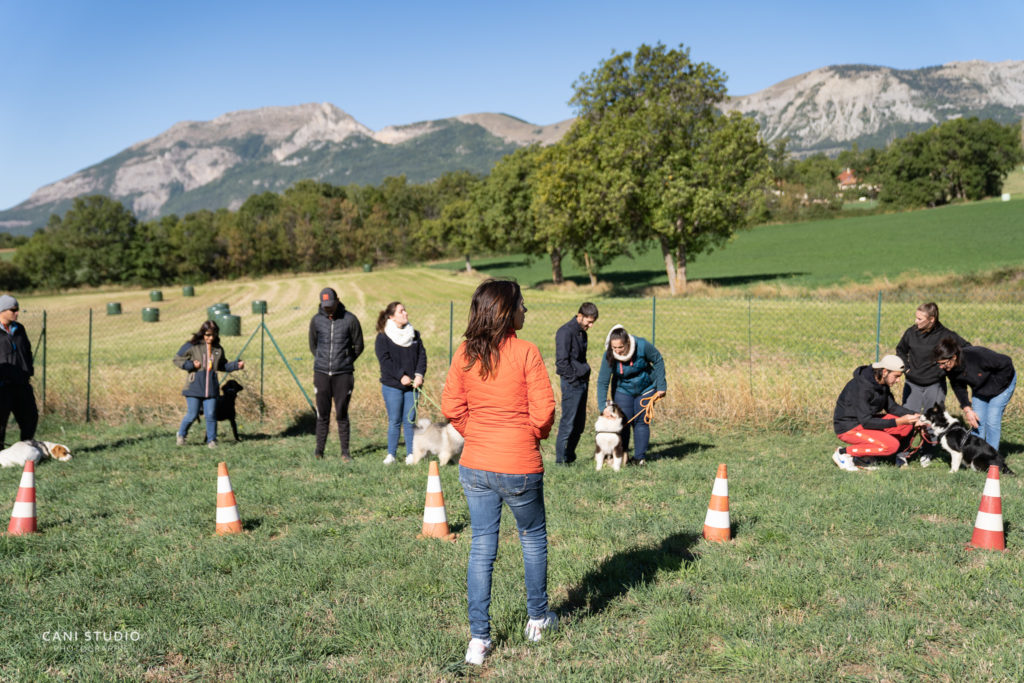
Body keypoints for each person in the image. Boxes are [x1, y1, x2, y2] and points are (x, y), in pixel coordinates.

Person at [441, 279, 557, 666]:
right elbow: (544, 413)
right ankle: (538, 620)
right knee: (532, 539)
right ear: (507, 311)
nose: (526, 310)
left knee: (481, 548)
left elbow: (451, 406)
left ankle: (478, 640)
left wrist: (478, 434)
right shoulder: (526, 352)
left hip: (476, 464)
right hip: (519, 465)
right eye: (522, 304)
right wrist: (528, 436)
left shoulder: (464, 354)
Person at [831, 354, 921, 471]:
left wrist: (916, 417)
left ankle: (897, 456)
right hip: (849, 427)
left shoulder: (882, 383)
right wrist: (898, 421)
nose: (898, 380)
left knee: (906, 424)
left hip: (864, 421)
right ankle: (844, 453)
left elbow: (892, 408)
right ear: (884, 372)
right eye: (896, 376)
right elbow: (866, 422)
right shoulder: (862, 387)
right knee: (891, 446)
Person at [595, 325, 667, 465]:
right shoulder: (609, 355)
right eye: (614, 347)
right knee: (624, 422)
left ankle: (640, 458)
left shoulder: (642, 345)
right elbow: (602, 382)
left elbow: (658, 360)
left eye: (620, 347)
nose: (617, 351)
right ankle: (623, 457)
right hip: (623, 389)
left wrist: (661, 386)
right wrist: (602, 406)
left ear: (627, 343)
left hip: (646, 388)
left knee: (641, 422)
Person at [309, 287, 364, 461]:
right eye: (325, 306)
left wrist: (346, 361)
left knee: (341, 413)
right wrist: (322, 361)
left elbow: (359, 345)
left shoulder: (350, 319)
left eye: (331, 305)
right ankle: (319, 451)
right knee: (322, 414)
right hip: (321, 373)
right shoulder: (316, 321)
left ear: (337, 300)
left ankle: (345, 452)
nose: (328, 309)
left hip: (343, 375)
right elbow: (313, 345)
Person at [934, 337, 1016, 452]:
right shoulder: (950, 369)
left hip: (1003, 386)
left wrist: (995, 386)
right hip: (980, 388)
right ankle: (977, 455)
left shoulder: (978, 356)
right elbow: (958, 387)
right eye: (939, 364)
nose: (941, 367)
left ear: (953, 357)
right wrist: (967, 409)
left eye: (943, 363)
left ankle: (992, 457)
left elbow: (1006, 362)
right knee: (977, 422)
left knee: (992, 420)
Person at [173, 319, 244, 448]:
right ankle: (181, 435)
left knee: (211, 414)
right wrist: (190, 365)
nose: (210, 338)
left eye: (213, 335)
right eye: (207, 335)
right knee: (192, 414)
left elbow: (223, 365)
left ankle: (212, 441)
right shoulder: (192, 345)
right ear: (202, 333)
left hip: (211, 388)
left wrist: (236, 365)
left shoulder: (218, 349)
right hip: (194, 387)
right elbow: (177, 359)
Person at [374, 301, 426, 465]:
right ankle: (391, 454)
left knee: (409, 419)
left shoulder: (415, 335)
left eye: (405, 310)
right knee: (395, 420)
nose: (405, 314)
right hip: (392, 386)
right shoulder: (383, 337)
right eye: (401, 311)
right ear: (391, 316)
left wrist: (418, 375)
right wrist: (400, 376)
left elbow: (422, 357)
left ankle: (411, 454)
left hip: (412, 386)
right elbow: (385, 361)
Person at [896, 302, 970, 412]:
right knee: (908, 421)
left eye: (920, 319)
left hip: (935, 385)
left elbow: (968, 349)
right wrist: (906, 369)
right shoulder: (911, 333)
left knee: (933, 424)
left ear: (931, 319)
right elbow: (900, 350)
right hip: (912, 384)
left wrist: (945, 370)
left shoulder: (946, 335)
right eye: (916, 318)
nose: (916, 321)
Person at [554, 302, 599, 465]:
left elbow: (580, 359)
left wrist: (584, 375)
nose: (591, 325)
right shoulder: (565, 332)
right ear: (580, 316)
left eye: (593, 322)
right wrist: (574, 379)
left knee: (579, 424)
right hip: (572, 384)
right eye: (589, 321)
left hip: (582, 382)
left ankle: (570, 456)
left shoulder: (582, 333)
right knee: (568, 422)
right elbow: (561, 363)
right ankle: (560, 460)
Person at [0, 294, 38, 449]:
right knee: (0, 423)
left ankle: (26, 449)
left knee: (30, 418)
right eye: (13, 310)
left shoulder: (19, 328)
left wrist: (28, 370)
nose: (16, 313)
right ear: (2, 310)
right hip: (2, 386)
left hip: (22, 383)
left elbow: (27, 351)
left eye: (17, 310)